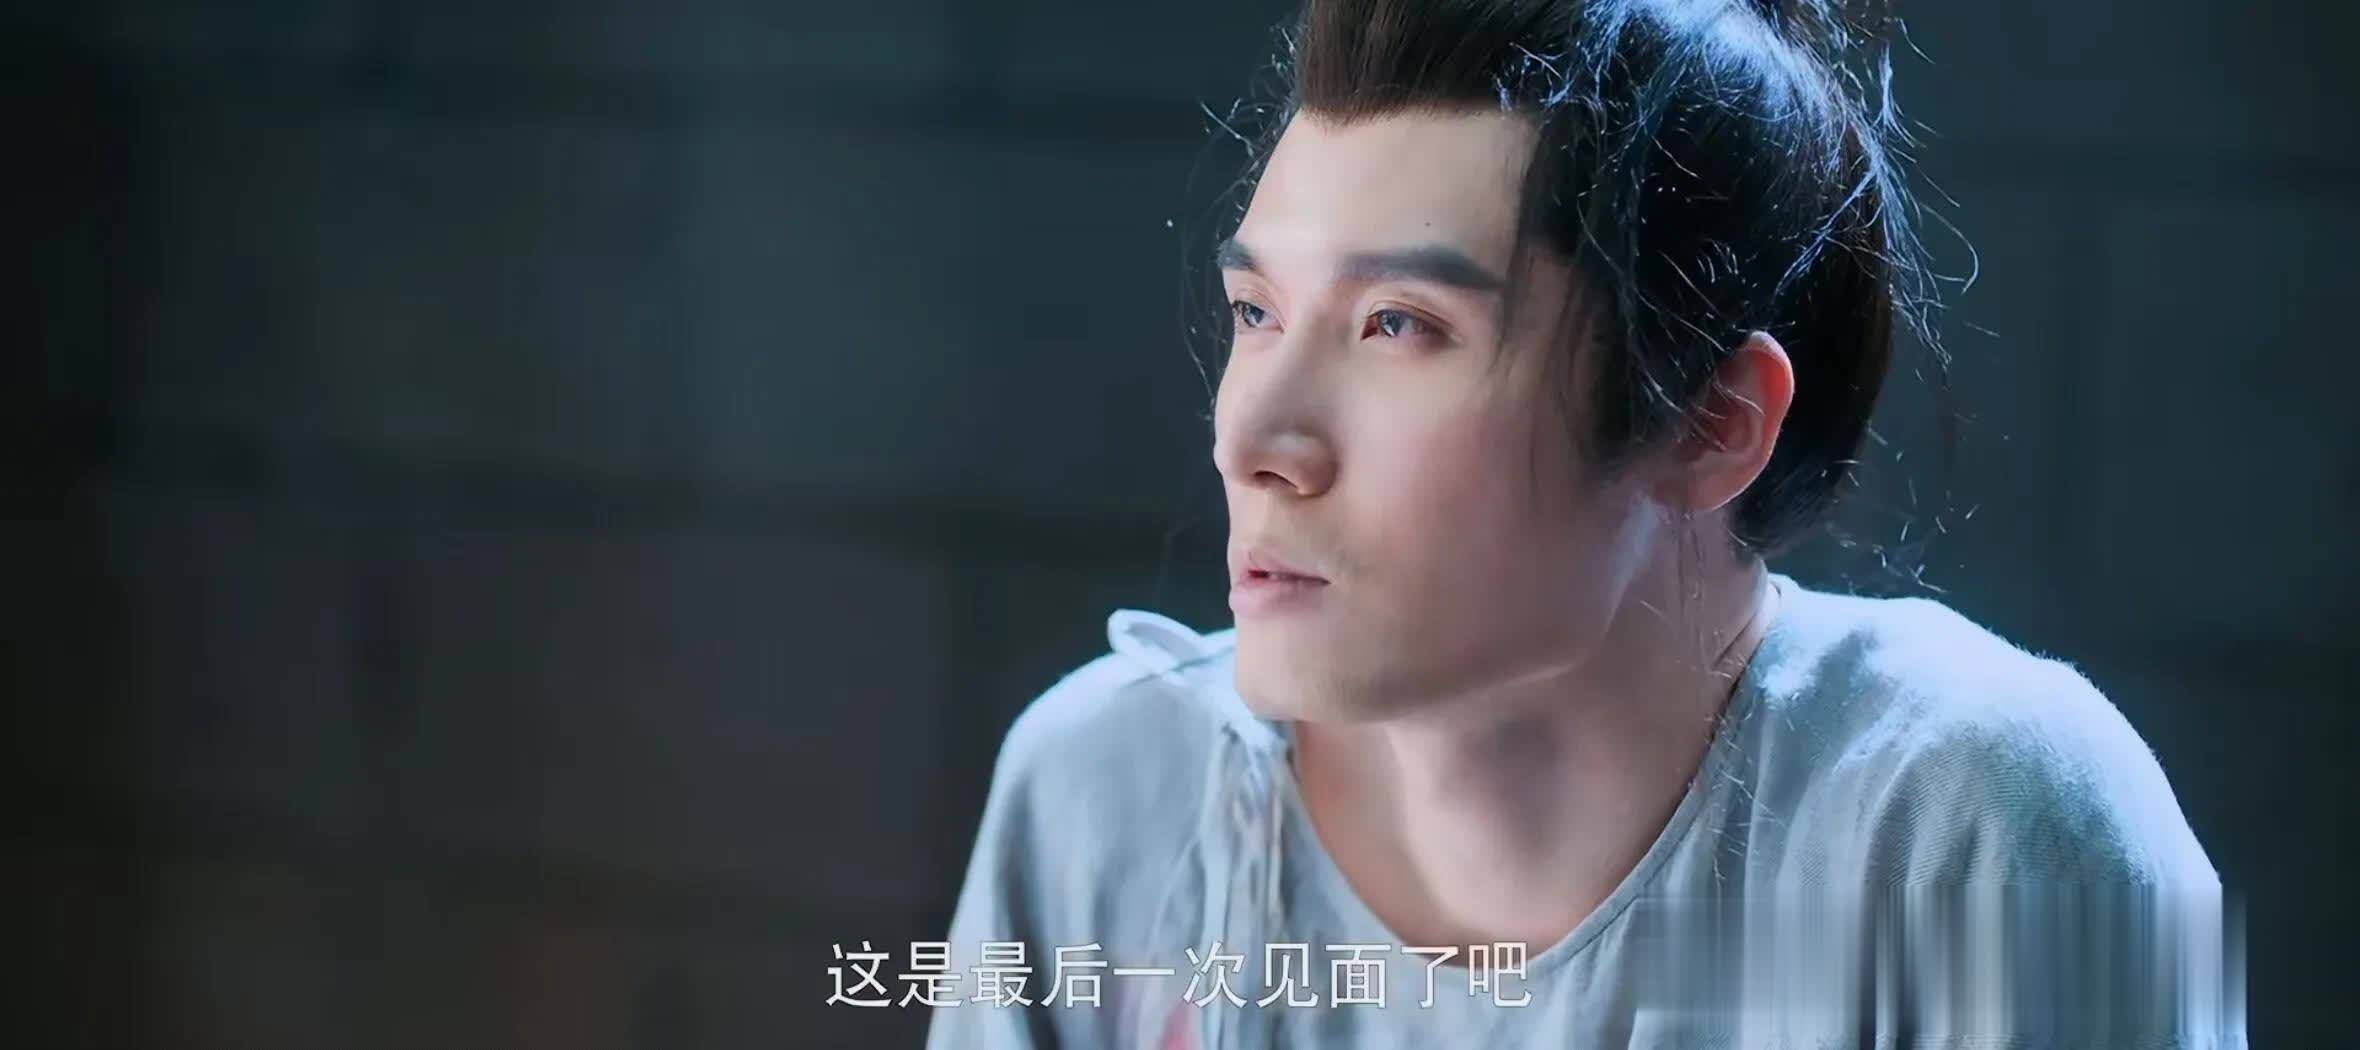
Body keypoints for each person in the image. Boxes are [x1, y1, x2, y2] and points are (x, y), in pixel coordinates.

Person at [928, 0, 2237, 1046]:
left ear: (1713, 421)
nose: (1255, 439)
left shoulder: (1973, 832)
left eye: (1399, 325)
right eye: (1256, 313)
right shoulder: (1108, 792)